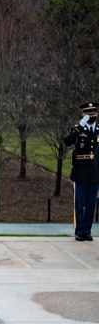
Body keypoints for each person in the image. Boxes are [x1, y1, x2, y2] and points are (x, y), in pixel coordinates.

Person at [64, 101, 99, 241]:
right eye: (88, 113)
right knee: (79, 203)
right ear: (83, 114)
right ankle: (79, 231)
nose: (91, 115)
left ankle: (87, 230)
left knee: (91, 203)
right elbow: (67, 141)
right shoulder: (78, 129)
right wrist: (80, 126)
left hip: (95, 172)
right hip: (80, 171)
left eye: (94, 113)